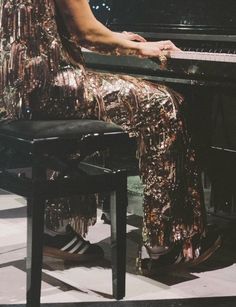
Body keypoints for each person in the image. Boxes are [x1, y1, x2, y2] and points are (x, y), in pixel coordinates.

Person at [0, 0, 221, 271]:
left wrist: (115, 37)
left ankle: (55, 230)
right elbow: (87, 34)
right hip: (54, 86)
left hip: (18, 93)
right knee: (163, 103)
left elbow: (46, 30)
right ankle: (164, 245)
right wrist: (141, 47)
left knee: (114, 101)